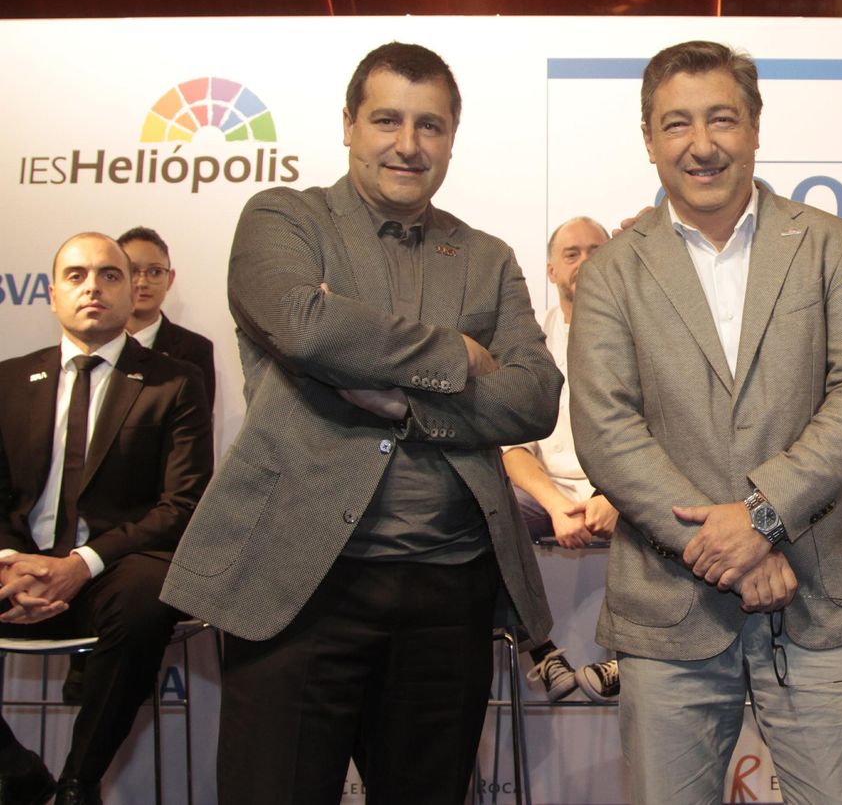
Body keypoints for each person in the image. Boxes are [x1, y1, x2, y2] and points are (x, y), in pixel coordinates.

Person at [159, 42, 562, 805]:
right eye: (386, 120)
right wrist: (458, 355)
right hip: (299, 582)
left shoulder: (486, 256)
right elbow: (305, 327)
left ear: (452, 136)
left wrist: (404, 400)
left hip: (450, 591)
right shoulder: (284, 217)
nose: (408, 144)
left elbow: (535, 397)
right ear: (348, 124)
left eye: (430, 126)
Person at [568, 40, 842, 805]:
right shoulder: (613, 271)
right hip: (668, 611)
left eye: (722, 118)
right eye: (677, 124)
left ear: (755, 127)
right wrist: (727, 548)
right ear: (649, 139)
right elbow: (605, 429)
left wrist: (760, 516)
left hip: (822, 598)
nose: (702, 144)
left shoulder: (832, 247)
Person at [0, 232, 212, 805]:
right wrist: (8, 567)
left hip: (111, 576)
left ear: (135, 291)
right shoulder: (8, 381)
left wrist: (79, 565)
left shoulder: (174, 382)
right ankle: (14, 769)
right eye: (76, 275)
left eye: (109, 275)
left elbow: (183, 505)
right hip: (16, 573)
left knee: (149, 591)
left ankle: (77, 782)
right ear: (50, 294)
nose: (92, 286)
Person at [504, 215, 620, 702]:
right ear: (551, 271)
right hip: (546, 493)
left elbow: (662, 438)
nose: (586, 262)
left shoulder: (643, 335)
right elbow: (513, 449)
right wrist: (553, 503)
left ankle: (624, 655)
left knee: (675, 500)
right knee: (481, 504)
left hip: (619, 492)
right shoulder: (529, 346)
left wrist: (613, 494)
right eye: (573, 254)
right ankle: (542, 651)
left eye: (597, 250)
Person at [116, 226, 216, 409]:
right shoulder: (97, 342)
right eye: (132, 271)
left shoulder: (195, 350)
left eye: (154, 272)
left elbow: (197, 425)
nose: (142, 282)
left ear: (170, 279)